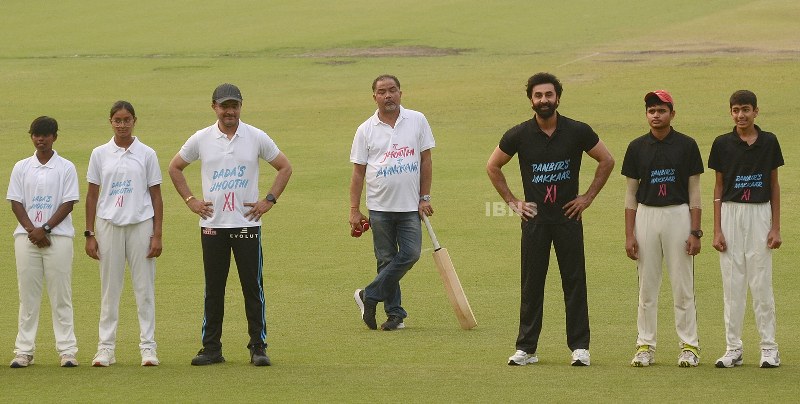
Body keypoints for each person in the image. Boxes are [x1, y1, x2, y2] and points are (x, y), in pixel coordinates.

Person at [486, 72, 614, 366]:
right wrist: (513, 201)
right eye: (538, 96)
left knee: (574, 281)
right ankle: (526, 348)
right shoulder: (518, 134)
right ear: (531, 99)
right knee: (532, 284)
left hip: (568, 219)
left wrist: (587, 198)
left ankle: (580, 347)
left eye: (549, 95)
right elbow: (493, 166)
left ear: (558, 97)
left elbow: (606, 160)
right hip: (535, 222)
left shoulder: (577, 131)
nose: (544, 100)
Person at [169, 83, 292, 366]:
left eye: (234, 106)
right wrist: (190, 200)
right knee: (214, 288)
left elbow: (284, 166)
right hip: (213, 226)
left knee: (252, 286)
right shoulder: (201, 138)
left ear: (240, 106)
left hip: (247, 225)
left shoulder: (255, 136)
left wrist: (269, 200)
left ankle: (258, 347)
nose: (229, 111)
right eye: (224, 106)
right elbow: (175, 166)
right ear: (214, 107)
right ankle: (211, 348)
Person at [621, 90, 703, 367]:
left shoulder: (688, 145)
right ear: (646, 114)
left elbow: (695, 192)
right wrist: (629, 234)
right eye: (651, 111)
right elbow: (630, 195)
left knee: (682, 285)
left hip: (678, 215)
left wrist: (695, 231)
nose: (656, 115)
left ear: (672, 113)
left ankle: (689, 346)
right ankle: (645, 345)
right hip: (646, 216)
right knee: (647, 286)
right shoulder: (636, 147)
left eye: (661, 110)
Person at [350, 74, 434, 331]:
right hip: (379, 207)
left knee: (410, 254)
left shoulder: (417, 120)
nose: (388, 95)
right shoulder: (365, 129)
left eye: (393, 90)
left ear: (401, 93)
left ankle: (369, 294)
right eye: (382, 92)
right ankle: (395, 314)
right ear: (374, 96)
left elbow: (426, 161)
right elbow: (358, 172)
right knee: (386, 260)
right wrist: (354, 210)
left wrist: (424, 197)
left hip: (410, 206)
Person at [85, 101, 163, 367]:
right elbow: (92, 195)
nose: (122, 125)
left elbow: (156, 195)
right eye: (117, 120)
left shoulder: (147, 153)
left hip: (141, 224)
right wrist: (89, 233)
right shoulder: (99, 154)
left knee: (144, 289)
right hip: (108, 225)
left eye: (126, 120)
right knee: (110, 290)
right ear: (110, 122)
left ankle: (148, 348)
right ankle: (105, 349)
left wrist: (157, 234)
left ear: (134, 121)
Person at [709, 90, 783, 368]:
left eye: (746, 110)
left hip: (760, 213)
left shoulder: (769, 142)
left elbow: (774, 186)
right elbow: (718, 187)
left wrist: (775, 227)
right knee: (732, 284)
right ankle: (733, 348)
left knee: (761, 282)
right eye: (736, 110)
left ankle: (769, 348)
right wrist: (717, 229)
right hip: (730, 212)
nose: (741, 115)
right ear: (731, 112)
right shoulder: (721, 143)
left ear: (756, 111)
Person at [7, 116, 80, 368]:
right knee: (28, 296)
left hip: (58, 238)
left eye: (45, 135)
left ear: (54, 137)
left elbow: (68, 202)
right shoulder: (21, 167)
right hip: (27, 239)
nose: (40, 139)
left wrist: (46, 228)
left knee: (61, 294)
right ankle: (24, 351)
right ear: (32, 137)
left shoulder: (66, 167)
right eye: (36, 135)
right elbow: (16, 202)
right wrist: (32, 231)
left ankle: (67, 350)